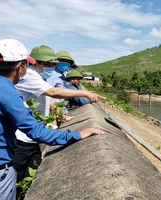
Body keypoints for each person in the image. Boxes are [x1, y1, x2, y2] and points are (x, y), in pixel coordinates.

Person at [0, 38, 104, 200]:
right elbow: (37, 132)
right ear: (20, 66)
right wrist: (77, 134)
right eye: (27, 64)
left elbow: (49, 100)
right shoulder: (9, 94)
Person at [13, 44, 105, 183]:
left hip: (33, 135)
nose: (50, 67)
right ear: (35, 63)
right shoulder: (30, 76)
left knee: (31, 174)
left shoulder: (39, 77)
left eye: (52, 64)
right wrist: (85, 93)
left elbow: (47, 99)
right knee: (18, 178)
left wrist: (60, 113)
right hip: (22, 138)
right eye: (47, 64)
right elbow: (53, 92)